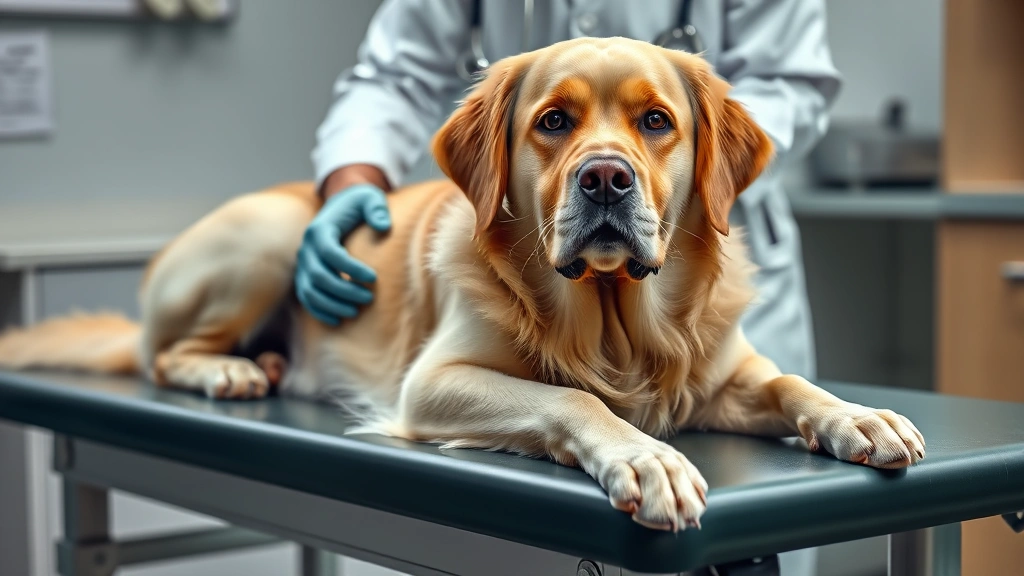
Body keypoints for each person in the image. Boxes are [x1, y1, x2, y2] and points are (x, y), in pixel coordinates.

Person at [300, 2, 840, 574]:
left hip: (696, 254)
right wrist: (351, 182)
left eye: (654, 121)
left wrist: (708, 171)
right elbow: (394, 73)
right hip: (536, 298)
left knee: (747, 554)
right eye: (554, 121)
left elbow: (791, 80)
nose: (605, 169)